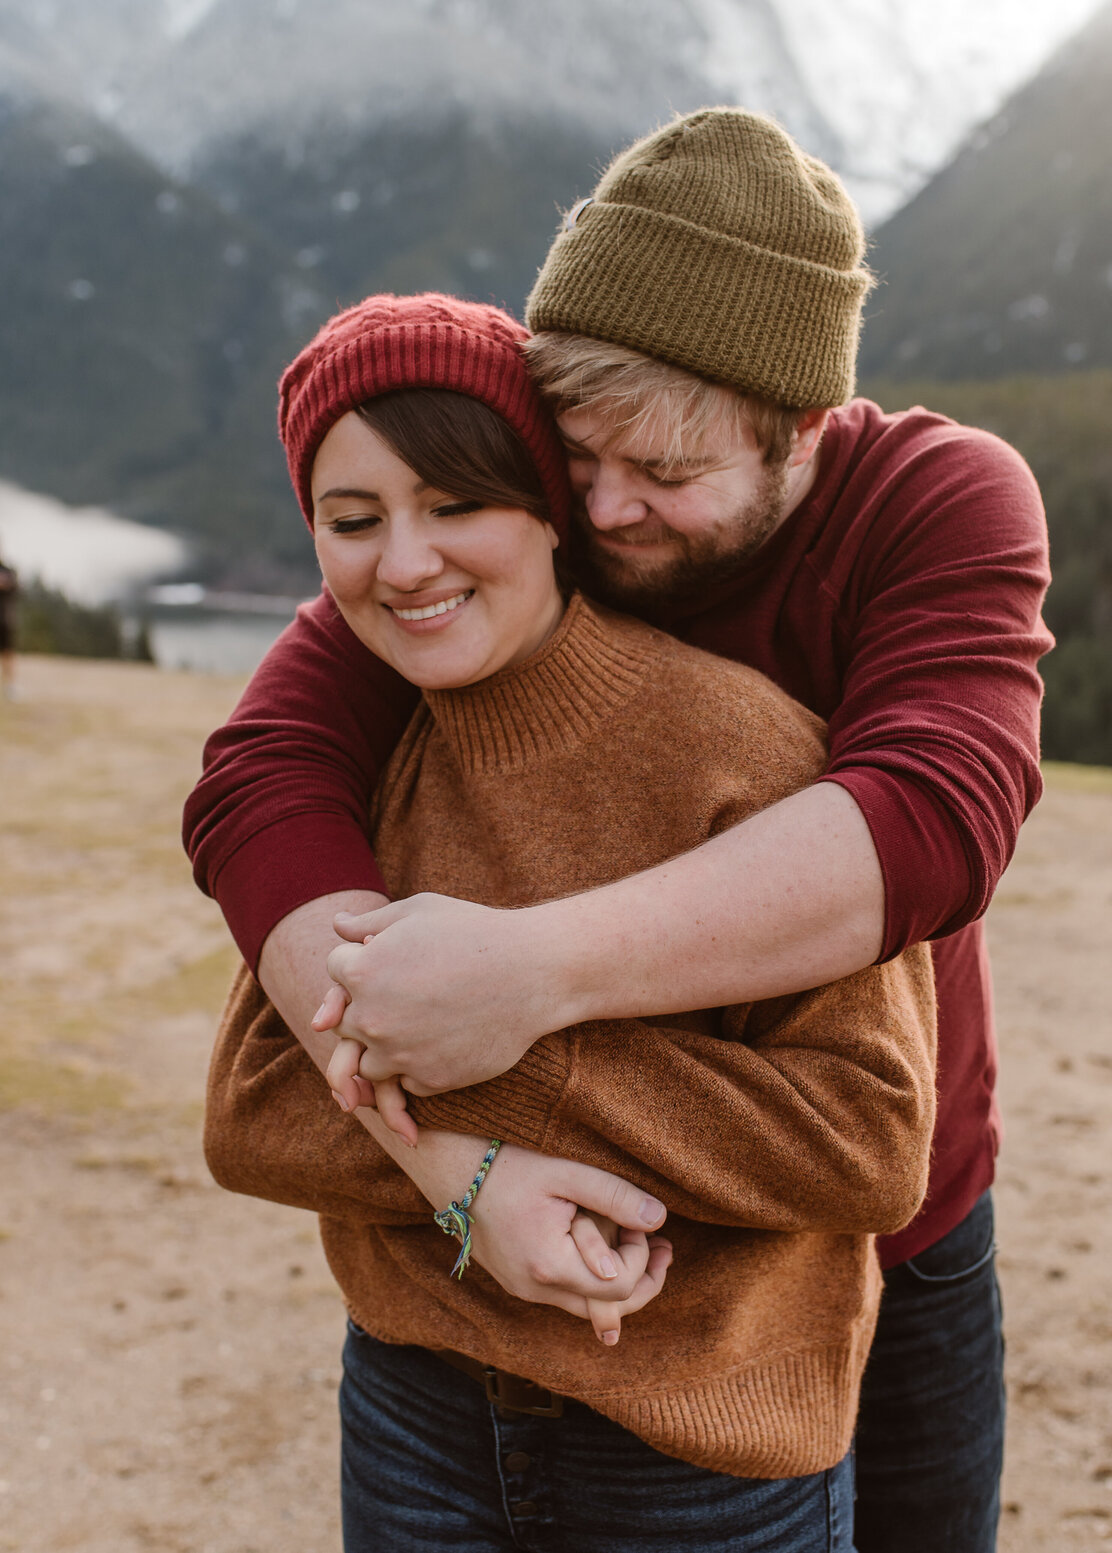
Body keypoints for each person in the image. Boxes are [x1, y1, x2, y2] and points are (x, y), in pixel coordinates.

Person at [184, 110, 1053, 1552]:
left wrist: (521, 978)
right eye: (577, 455)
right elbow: (263, 775)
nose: (603, 506)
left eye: (659, 467)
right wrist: (446, 1162)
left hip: (894, 1220)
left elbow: (933, 818)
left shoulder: (933, 498)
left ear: (801, 429)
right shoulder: (522, 529)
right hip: (499, 1329)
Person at [0, 551, 18, 700]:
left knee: (7, 652)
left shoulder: (7, 570)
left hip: (4, 619)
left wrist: (6, 584)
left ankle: (10, 686)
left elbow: (16, 589)